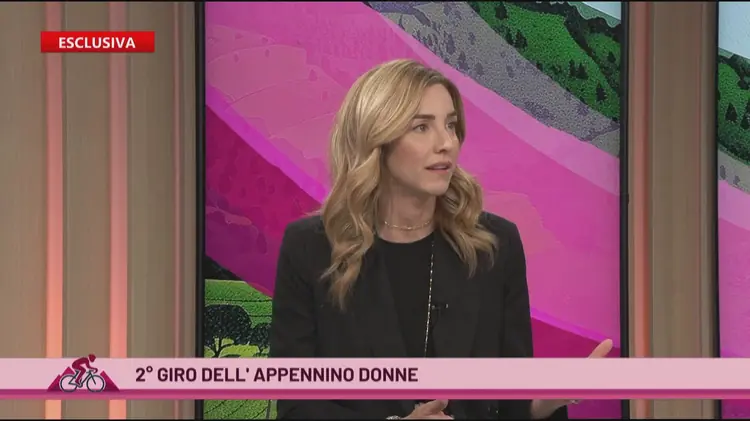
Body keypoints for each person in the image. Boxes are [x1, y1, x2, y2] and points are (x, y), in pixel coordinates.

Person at [269, 59, 611, 419]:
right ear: (377, 139)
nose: (447, 143)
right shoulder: (310, 248)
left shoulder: (495, 245)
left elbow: (511, 402)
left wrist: (547, 400)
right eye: (421, 127)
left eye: (450, 125)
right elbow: (296, 408)